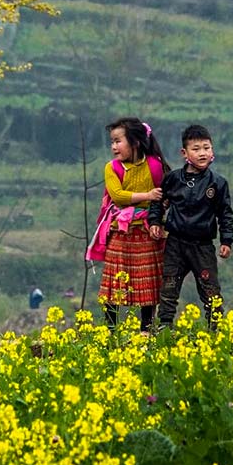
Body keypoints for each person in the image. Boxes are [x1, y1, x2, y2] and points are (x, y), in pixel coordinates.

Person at [148, 124, 233, 329]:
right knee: (168, 289)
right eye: (196, 149)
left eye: (206, 147)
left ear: (212, 150)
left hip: (203, 246)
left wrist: (227, 240)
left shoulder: (218, 183)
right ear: (184, 153)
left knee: (210, 291)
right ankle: (164, 331)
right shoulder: (173, 179)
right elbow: (158, 201)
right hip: (175, 244)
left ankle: (216, 332)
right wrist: (154, 222)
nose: (202, 153)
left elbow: (225, 214)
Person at [89, 117, 169, 332]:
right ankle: (110, 330)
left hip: (146, 230)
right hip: (120, 231)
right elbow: (118, 196)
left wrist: (157, 210)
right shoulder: (112, 168)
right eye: (112, 142)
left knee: (148, 284)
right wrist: (148, 195)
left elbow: (164, 195)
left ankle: (146, 329)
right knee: (112, 285)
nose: (114, 147)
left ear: (135, 142)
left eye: (118, 141)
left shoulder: (154, 165)